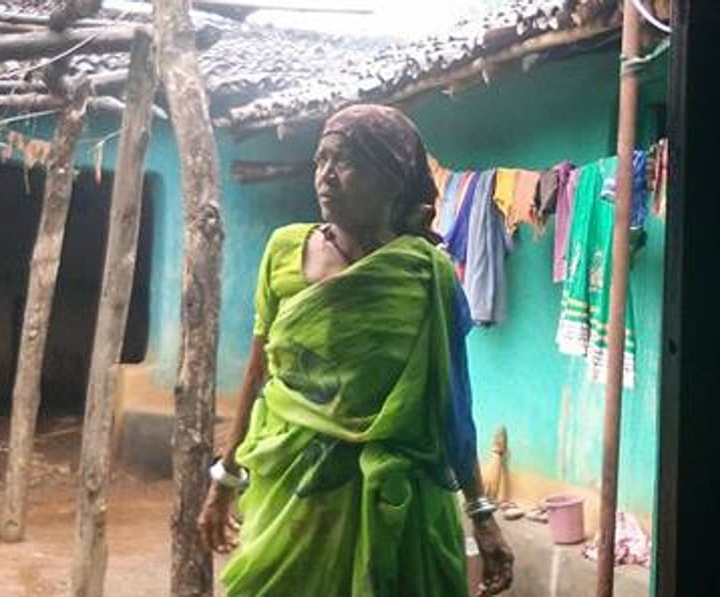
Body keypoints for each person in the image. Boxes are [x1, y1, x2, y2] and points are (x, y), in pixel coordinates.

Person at [198, 104, 514, 596]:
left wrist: (481, 513)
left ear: (390, 178)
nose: (325, 175)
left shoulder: (429, 276)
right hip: (294, 494)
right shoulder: (285, 250)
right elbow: (258, 373)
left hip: (399, 501)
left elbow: (453, 402)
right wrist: (226, 476)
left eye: (344, 161)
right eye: (320, 160)